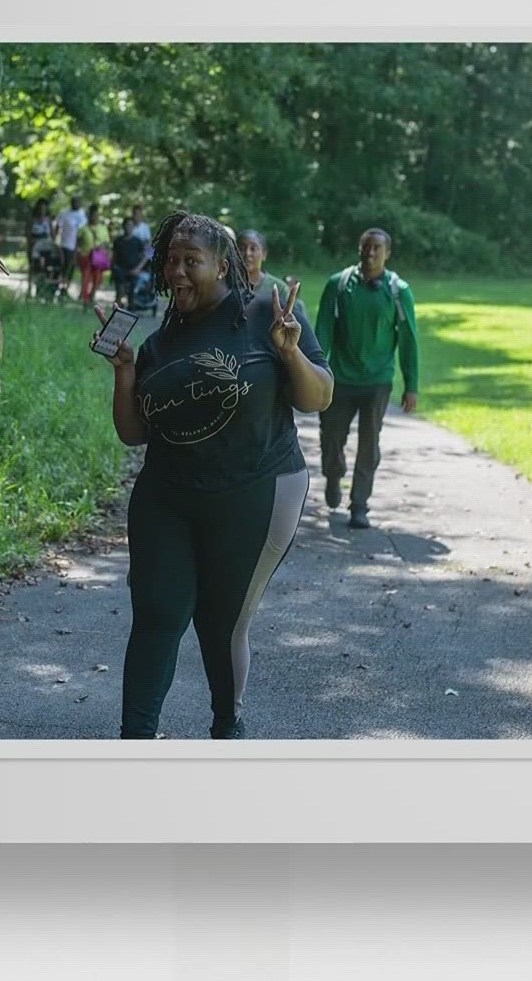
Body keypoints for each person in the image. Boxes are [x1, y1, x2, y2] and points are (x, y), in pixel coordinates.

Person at [94, 210, 334, 740]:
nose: (176, 271)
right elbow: (135, 434)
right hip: (168, 497)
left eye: (190, 261)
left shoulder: (267, 317)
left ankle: (227, 730)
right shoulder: (160, 340)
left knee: (219, 624)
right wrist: (125, 371)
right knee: (156, 617)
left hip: (256, 491)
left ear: (222, 265)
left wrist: (290, 351)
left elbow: (318, 397)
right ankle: (133, 744)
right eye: (170, 261)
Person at [312, 228, 420, 530]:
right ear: (358, 250)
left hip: (377, 380)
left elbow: (409, 339)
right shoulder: (339, 285)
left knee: (369, 444)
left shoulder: (399, 291)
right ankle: (333, 475)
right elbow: (322, 333)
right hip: (341, 378)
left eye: (377, 248)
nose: (371, 253)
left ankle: (359, 504)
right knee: (332, 438)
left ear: (387, 253)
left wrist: (411, 385)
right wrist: (316, 374)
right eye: (366, 247)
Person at [237, 230, 291, 320]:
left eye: (253, 248)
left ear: (264, 254)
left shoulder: (278, 289)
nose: (247, 253)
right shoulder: (226, 286)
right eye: (241, 248)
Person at [108, 216, 151, 315]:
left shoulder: (137, 241)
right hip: (120, 269)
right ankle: (116, 313)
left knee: (132, 293)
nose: (128, 227)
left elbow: (148, 253)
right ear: (123, 226)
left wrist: (138, 268)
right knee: (119, 291)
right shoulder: (118, 240)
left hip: (133, 271)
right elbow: (114, 256)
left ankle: (130, 312)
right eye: (127, 225)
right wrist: (112, 268)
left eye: (131, 225)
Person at [76, 204, 111, 307]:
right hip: (86, 256)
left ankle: (92, 296)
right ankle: (85, 299)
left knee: (97, 277)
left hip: (98, 257)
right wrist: (77, 254)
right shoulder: (83, 228)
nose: (94, 217)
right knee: (85, 277)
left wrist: (102, 247)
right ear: (89, 216)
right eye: (92, 215)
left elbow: (107, 242)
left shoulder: (103, 228)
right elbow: (77, 242)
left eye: (96, 215)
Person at [55, 196, 88, 299]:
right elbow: (57, 227)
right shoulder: (64, 213)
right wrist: (56, 241)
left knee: (70, 268)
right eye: (74, 201)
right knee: (61, 267)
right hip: (63, 245)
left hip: (75, 247)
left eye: (78, 202)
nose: (76, 203)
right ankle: (56, 287)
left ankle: (65, 289)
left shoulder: (83, 215)